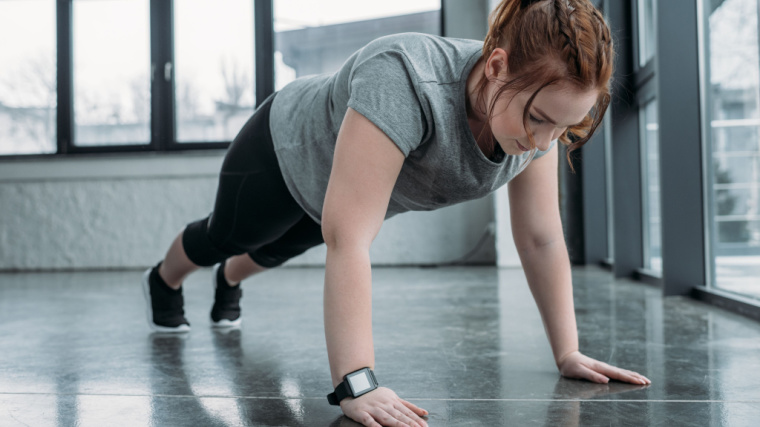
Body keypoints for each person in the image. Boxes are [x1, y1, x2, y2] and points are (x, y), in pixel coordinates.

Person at [141, 0, 652, 425]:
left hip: (334, 192)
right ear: (496, 66)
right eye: (538, 119)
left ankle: (231, 279)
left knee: (276, 249)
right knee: (229, 235)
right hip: (281, 151)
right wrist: (356, 381)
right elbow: (351, 239)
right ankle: (164, 281)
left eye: (564, 127)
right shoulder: (406, 80)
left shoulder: (537, 131)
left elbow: (541, 238)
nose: (543, 143)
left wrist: (567, 352)